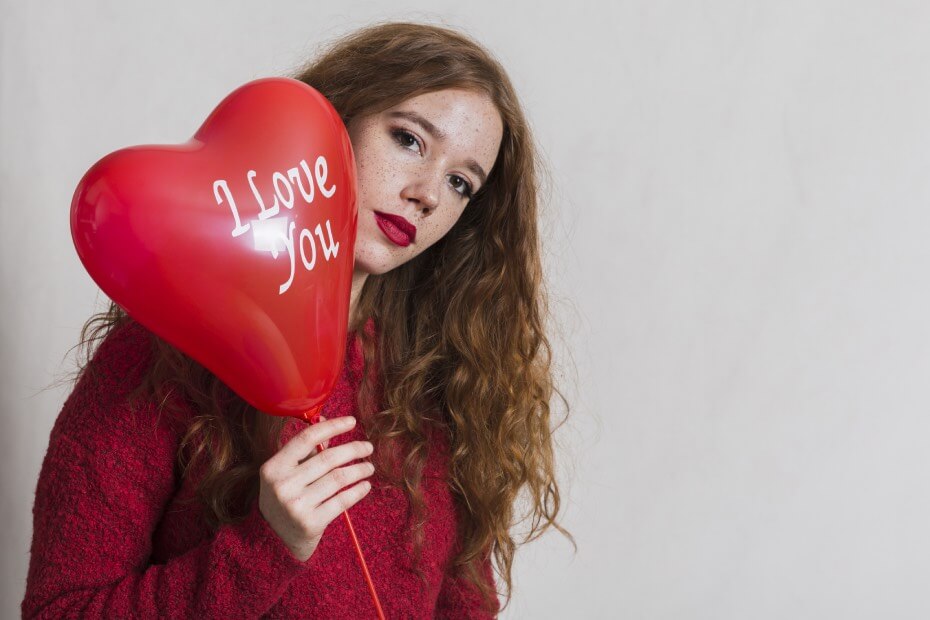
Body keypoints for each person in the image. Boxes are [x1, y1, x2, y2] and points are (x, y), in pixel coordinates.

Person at [22, 20, 573, 619]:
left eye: (461, 183)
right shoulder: (157, 361)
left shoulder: (442, 381)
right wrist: (265, 547)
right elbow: (58, 612)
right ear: (333, 121)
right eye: (409, 140)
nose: (428, 194)